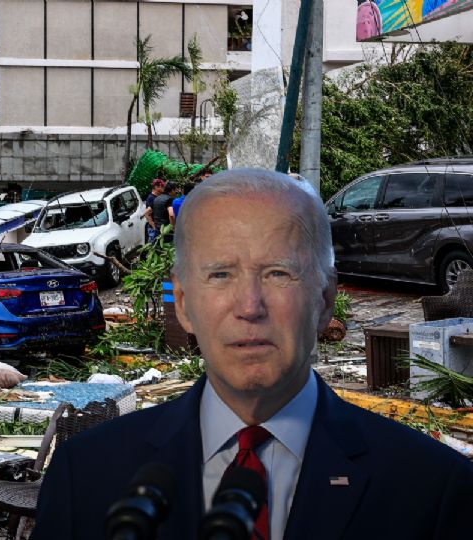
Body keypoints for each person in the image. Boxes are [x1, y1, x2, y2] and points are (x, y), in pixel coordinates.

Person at [31, 169, 473, 540]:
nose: (249, 306)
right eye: (221, 274)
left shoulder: (432, 489)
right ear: (183, 303)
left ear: (324, 300)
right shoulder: (85, 476)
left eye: (278, 273)